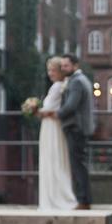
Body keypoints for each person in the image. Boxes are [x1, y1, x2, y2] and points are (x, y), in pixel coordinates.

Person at [43, 54, 95, 210]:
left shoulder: (77, 82)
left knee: (78, 165)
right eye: (63, 65)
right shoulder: (79, 80)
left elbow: (71, 106)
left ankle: (83, 201)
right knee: (79, 164)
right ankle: (83, 199)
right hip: (79, 127)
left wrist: (54, 114)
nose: (63, 68)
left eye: (66, 66)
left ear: (75, 65)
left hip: (76, 128)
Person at [37, 57, 78, 210]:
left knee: (52, 159)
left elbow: (48, 110)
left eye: (53, 70)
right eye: (49, 70)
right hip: (53, 126)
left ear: (60, 72)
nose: (50, 74)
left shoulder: (57, 87)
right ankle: (58, 195)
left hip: (51, 127)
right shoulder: (61, 86)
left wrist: (34, 110)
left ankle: (55, 197)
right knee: (56, 160)